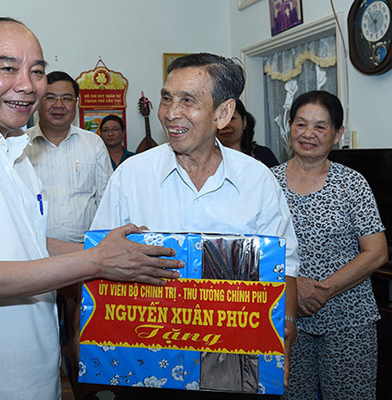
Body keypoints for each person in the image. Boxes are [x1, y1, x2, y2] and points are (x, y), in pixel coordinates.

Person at [0, 17, 182, 400]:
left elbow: (30, 242)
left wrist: (118, 253)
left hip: (26, 379)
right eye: (8, 68)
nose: (27, 85)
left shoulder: (12, 147)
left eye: (36, 71)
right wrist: (97, 261)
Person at [91, 53, 299, 395]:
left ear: (223, 113)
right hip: (147, 358)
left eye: (188, 101)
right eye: (167, 99)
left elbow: (284, 264)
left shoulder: (257, 180)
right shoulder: (131, 175)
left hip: (234, 360)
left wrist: (286, 328)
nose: (171, 113)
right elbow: (99, 259)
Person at [271, 90, 388, 399]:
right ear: (290, 127)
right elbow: (255, 248)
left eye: (320, 126)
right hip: (285, 318)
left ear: (337, 134)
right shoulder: (267, 183)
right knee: (291, 394)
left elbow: (376, 252)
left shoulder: (353, 184)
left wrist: (322, 290)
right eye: (300, 124)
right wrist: (296, 288)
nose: (308, 133)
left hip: (349, 318)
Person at [26, 71, 113, 243]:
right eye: (50, 98)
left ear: (76, 103)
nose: (58, 105)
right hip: (33, 250)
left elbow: (107, 200)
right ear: (38, 101)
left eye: (66, 98)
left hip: (86, 250)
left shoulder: (93, 143)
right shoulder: (20, 146)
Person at [216, 99, 279, 167]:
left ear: (244, 122)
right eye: (219, 119)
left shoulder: (264, 154)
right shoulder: (209, 160)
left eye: (231, 118)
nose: (225, 125)